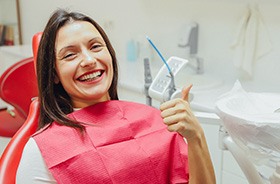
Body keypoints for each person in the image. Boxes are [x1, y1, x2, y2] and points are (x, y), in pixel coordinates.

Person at [16, 9, 216, 184]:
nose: (88, 60)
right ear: (54, 75)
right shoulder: (42, 151)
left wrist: (196, 136)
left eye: (95, 47)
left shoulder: (156, 121)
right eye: (70, 55)